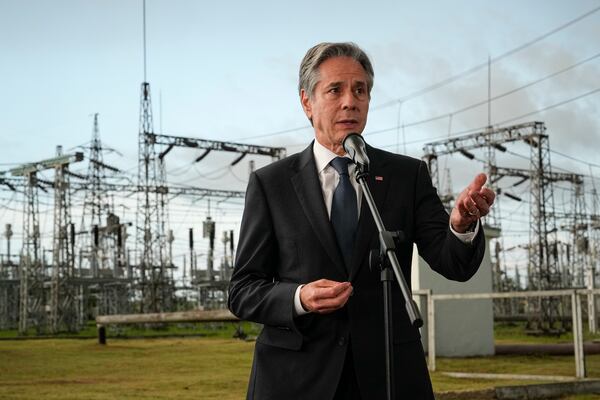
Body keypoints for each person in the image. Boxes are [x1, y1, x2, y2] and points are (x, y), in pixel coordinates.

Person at [228, 42, 495, 400]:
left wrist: (461, 226)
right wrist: (299, 297)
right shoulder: (271, 184)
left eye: (360, 90)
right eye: (335, 90)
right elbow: (243, 289)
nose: (350, 101)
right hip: (296, 378)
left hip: (389, 375)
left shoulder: (407, 175)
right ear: (307, 102)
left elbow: (453, 264)